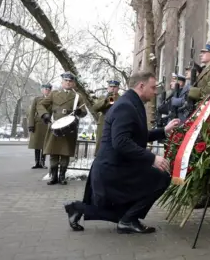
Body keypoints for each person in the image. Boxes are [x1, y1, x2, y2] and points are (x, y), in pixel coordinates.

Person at [63, 71, 180, 234]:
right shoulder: (126, 106)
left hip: (117, 165)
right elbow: (121, 142)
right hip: (113, 168)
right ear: (141, 85)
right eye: (153, 88)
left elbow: (136, 134)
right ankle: (127, 220)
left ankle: (79, 209)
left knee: (129, 199)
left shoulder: (131, 103)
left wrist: (164, 131)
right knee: (160, 178)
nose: (155, 92)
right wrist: (152, 158)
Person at [187, 41, 210, 209]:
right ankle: (201, 194)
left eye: (204, 52)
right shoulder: (206, 71)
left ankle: (205, 195)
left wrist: (191, 92)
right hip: (201, 117)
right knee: (199, 155)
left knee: (206, 155)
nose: (201, 55)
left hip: (209, 119)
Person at [38, 72, 87, 185]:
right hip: (55, 126)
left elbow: (84, 112)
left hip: (69, 128)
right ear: (62, 82)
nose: (68, 83)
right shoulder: (54, 94)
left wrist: (80, 112)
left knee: (65, 153)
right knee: (53, 152)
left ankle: (62, 177)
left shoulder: (78, 96)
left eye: (70, 81)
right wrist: (45, 114)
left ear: (73, 83)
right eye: (66, 81)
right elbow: (41, 105)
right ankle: (53, 177)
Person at [92, 80, 120, 155]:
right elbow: (95, 108)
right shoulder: (102, 98)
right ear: (108, 88)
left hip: (116, 124)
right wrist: (105, 100)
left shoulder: (121, 98)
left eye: (115, 87)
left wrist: (111, 99)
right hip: (103, 124)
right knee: (100, 145)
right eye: (111, 86)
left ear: (118, 88)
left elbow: (114, 105)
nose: (112, 88)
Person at [28, 83, 52, 169]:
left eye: (48, 89)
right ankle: (37, 162)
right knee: (37, 144)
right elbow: (32, 112)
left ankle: (43, 162)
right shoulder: (37, 99)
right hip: (37, 124)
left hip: (47, 123)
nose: (47, 91)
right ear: (42, 90)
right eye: (45, 89)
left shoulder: (51, 99)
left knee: (44, 144)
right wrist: (31, 124)